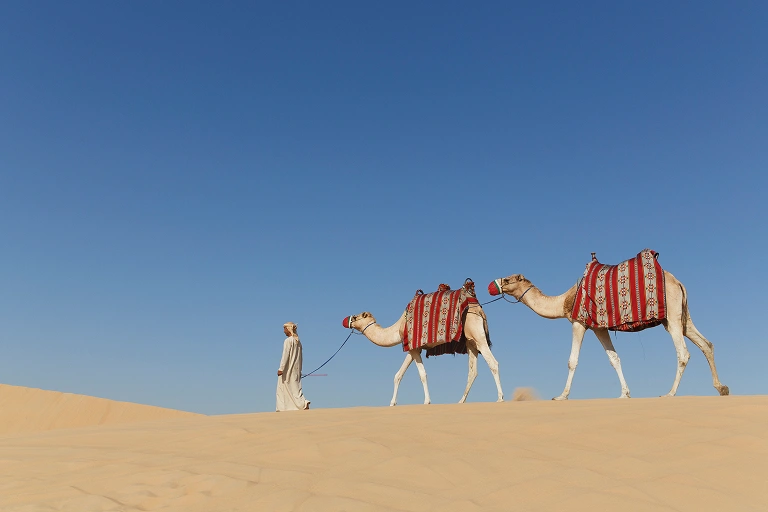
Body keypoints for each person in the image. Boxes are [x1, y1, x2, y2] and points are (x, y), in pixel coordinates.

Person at [276, 322, 310, 411]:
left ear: (288, 329)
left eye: (285, 329)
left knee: (285, 387)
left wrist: (281, 368)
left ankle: (302, 404)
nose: (284, 331)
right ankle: (296, 405)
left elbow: (285, 355)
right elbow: (301, 357)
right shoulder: (297, 341)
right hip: (295, 369)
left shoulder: (288, 341)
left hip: (288, 369)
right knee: (295, 387)